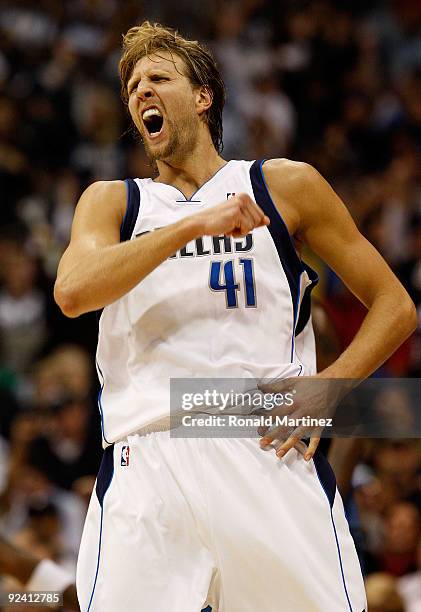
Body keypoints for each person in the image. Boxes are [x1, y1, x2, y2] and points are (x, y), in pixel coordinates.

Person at [54, 21, 416, 612]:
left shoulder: (281, 185)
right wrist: (192, 224)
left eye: (158, 78)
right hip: (147, 466)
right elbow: (72, 292)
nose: (141, 91)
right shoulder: (114, 202)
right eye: (133, 87)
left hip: (263, 448)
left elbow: (396, 305)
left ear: (203, 96)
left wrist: (331, 387)